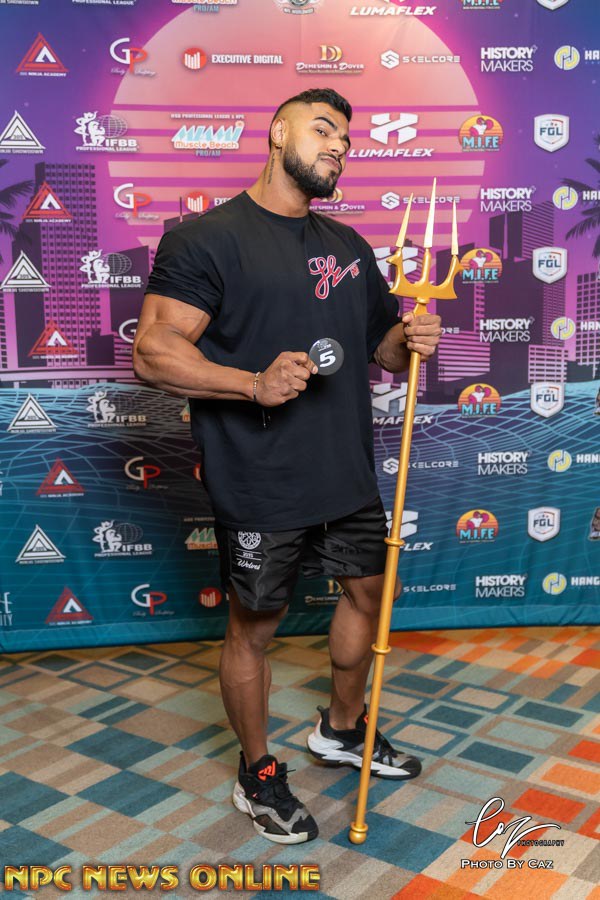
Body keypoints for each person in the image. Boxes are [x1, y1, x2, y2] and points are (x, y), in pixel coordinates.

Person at [134, 88, 442, 845]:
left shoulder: (348, 246)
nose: (339, 145)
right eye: (323, 129)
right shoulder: (206, 239)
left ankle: (341, 729)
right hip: (259, 476)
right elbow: (153, 350)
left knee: (369, 594)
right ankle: (257, 771)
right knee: (255, 628)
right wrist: (251, 383)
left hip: (345, 469)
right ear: (277, 133)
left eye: (347, 139)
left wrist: (410, 338)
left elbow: (383, 349)